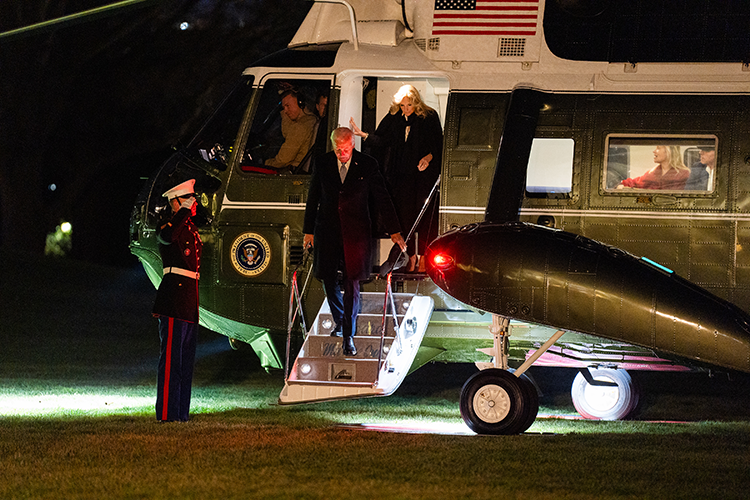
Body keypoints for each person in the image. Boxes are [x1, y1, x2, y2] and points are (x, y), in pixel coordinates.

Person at [303, 127, 406, 356]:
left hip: (356, 234)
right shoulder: (323, 163)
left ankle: (348, 335)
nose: (342, 154)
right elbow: (313, 198)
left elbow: (382, 198)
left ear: (353, 145)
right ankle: (339, 321)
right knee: (328, 278)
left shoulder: (367, 165)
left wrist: (394, 231)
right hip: (327, 231)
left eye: (346, 149)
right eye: (338, 150)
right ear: (333, 146)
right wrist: (308, 231)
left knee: (352, 284)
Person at [349, 84, 443, 272]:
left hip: (424, 175)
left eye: (409, 105)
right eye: (402, 105)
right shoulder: (396, 118)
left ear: (416, 103)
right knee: (405, 217)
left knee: (424, 217)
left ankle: (425, 257)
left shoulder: (429, 117)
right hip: (402, 175)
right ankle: (410, 256)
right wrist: (364, 135)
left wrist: (428, 158)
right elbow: (383, 140)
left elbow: (438, 145)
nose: (406, 109)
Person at [152, 179, 202, 422]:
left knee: (185, 361)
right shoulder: (166, 226)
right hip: (173, 298)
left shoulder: (189, 228)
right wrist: (182, 212)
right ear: (174, 202)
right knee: (171, 360)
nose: (191, 205)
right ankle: (167, 414)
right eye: (186, 200)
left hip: (189, 299)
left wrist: (186, 213)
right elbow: (169, 236)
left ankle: (181, 413)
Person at [264, 90, 317, 170]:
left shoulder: (300, 127)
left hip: (295, 171)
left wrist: (265, 163)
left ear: (300, 103)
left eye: (288, 106)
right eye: (283, 107)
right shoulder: (312, 120)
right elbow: (287, 134)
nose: (285, 111)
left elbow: (283, 160)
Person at [617, 145, 689, 190]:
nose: (654, 151)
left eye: (658, 148)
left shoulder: (683, 174)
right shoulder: (653, 173)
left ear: (668, 151)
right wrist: (622, 185)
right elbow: (637, 183)